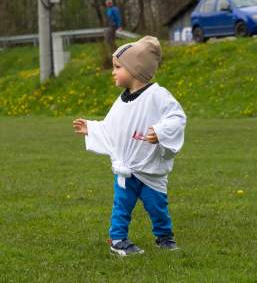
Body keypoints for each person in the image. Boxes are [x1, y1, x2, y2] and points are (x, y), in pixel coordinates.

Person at [72, 36, 186, 256]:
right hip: (126, 170)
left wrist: (161, 132)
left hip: (150, 170)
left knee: (157, 207)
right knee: (121, 206)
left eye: (117, 67)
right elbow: (112, 128)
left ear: (135, 69)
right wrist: (92, 128)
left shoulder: (158, 96)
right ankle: (118, 239)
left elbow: (177, 118)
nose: (113, 72)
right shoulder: (121, 101)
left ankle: (164, 237)